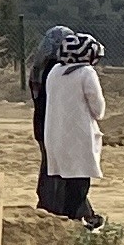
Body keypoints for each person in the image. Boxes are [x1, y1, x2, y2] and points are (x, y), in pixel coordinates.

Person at [33, 27, 107, 227]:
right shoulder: (86, 73)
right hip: (78, 135)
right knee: (79, 181)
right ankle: (76, 220)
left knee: (59, 176)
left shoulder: (53, 72)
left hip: (52, 133)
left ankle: (64, 217)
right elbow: (98, 109)